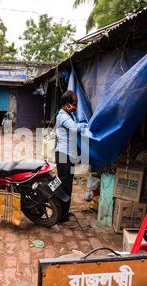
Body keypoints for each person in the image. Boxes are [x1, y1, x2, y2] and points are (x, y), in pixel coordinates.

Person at [55, 91, 88, 223]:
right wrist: (85, 125)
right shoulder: (62, 116)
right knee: (64, 185)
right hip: (64, 154)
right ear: (67, 104)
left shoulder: (69, 115)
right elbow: (74, 128)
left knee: (67, 184)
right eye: (74, 104)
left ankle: (64, 212)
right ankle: (60, 215)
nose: (75, 106)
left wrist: (83, 125)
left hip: (68, 154)